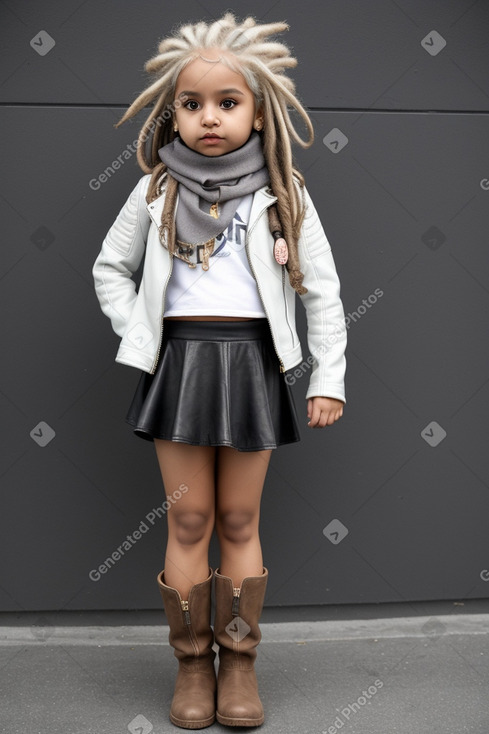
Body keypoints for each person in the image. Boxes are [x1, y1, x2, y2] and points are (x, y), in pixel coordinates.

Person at [92, 12, 346, 730]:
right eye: (192, 103)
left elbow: (321, 288)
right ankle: (191, 666)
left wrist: (328, 376)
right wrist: (141, 333)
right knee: (190, 515)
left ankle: (239, 664)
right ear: (171, 113)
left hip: (251, 365)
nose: (209, 117)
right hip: (180, 364)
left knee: (238, 515)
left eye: (227, 102)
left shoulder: (283, 194)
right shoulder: (152, 190)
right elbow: (110, 268)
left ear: (258, 111)